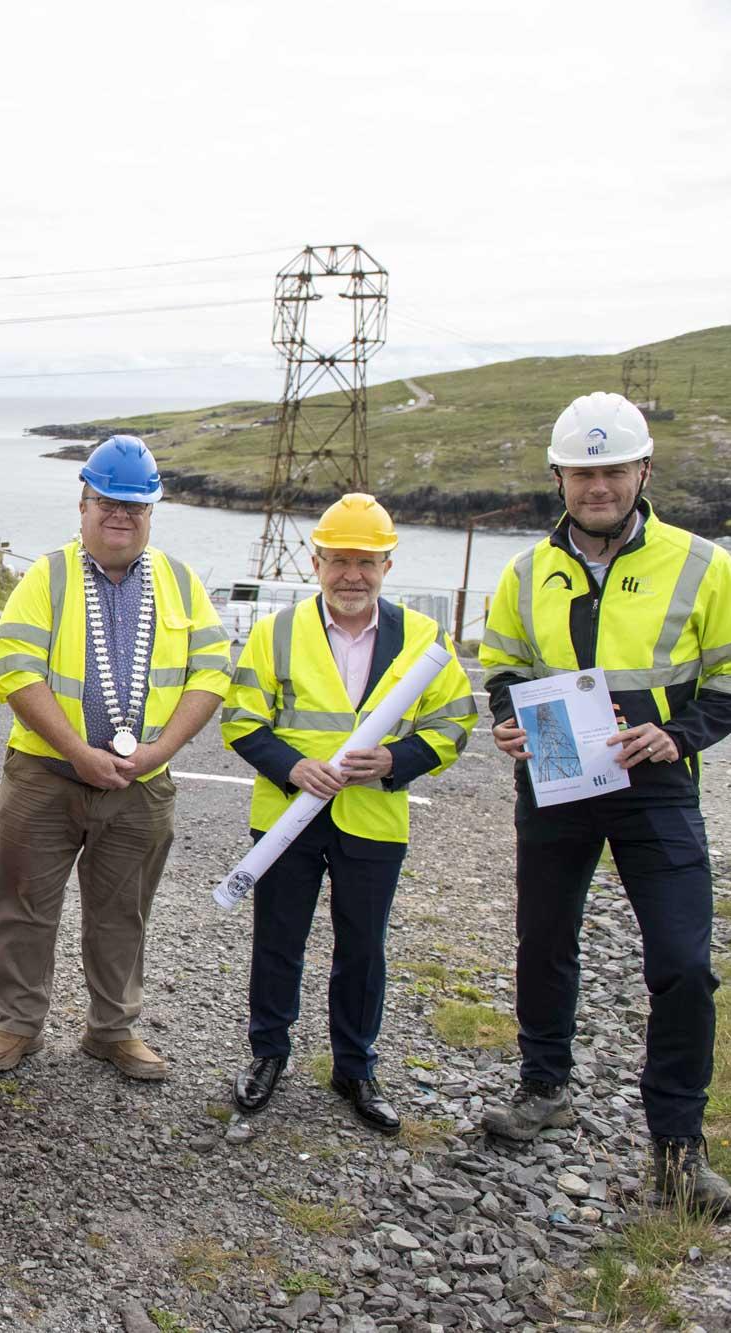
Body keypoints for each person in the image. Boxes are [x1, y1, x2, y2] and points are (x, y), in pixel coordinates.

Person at [478, 391, 731, 1214]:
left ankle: (676, 1150)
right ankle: (544, 1086)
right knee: (543, 939)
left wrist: (678, 734)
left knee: (684, 964)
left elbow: (727, 681)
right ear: (558, 477)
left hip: (654, 781)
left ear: (643, 472)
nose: (598, 486)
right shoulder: (523, 574)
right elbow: (504, 668)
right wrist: (508, 721)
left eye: (613, 469)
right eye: (583, 472)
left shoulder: (703, 564)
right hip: (554, 773)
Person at [219, 494, 476, 1134]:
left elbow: (456, 722)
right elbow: (241, 719)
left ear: (388, 564)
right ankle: (267, 1054)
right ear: (316, 562)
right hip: (287, 816)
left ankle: (355, 1067)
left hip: (375, 820)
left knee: (363, 948)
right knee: (278, 941)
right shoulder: (275, 632)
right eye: (339, 561)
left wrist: (397, 760)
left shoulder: (423, 639)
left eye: (366, 562)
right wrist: (291, 766)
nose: (352, 575)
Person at [0, 435, 231, 1079]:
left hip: (143, 782)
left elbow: (211, 672)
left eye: (135, 506)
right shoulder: (48, 575)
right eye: (106, 503)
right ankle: (19, 1023)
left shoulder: (178, 581)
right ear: (83, 504)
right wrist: (76, 750)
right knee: (23, 904)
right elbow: (13, 667)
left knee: (123, 910)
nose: (120, 515)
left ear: (152, 513)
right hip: (48, 774)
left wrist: (160, 752)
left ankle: (112, 1029)